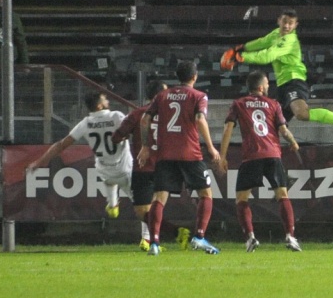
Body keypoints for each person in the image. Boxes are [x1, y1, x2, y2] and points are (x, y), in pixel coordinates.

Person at [220, 9, 333, 131]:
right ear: (279, 21)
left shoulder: (289, 41)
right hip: (282, 85)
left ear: (295, 25)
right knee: (272, 128)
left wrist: (240, 57)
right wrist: (241, 48)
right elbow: (262, 42)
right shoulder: (276, 34)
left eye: (290, 23)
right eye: (284, 21)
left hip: (294, 81)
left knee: (301, 114)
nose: (287, 26)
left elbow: (267, 56)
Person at [138, 60, 222, 256]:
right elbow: (200, 119)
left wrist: (145, 146)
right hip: (190, 153)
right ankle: (199, 237)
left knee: (159, 198)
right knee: (206, 194)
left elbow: (145, 119)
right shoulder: (199, 96)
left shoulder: (162, 95)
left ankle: (154, 243)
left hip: (165, 154)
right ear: (195, 76)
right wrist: (210, 147)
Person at [218, 70, 303, 252]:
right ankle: (290, 237)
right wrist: (293, 142)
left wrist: (222, 156)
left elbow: (228, 129)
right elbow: (283, 130)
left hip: (252, 156)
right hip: (273, 154)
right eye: (267, 84)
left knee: (242, 198)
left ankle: (250, 237)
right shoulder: (274, 104)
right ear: (261, 87)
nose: (268, 86)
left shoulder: (239, 104)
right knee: (282, 195)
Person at [27, 91, 133, 224]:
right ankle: (147, 235)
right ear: (99, 106)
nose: (108, 101)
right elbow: (132, 128)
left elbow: (61, 145)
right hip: (124, 169)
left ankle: (112, 205)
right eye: (104, 100)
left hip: (105, 171)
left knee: (109, 180)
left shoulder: (86, 123)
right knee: (144, 203)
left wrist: (39, 162)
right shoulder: (116, 116)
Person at [112, 79, 166, 252]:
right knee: (143, 210)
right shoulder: (140, 115)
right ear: (158, 96)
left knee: (151, 207)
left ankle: (154, 241)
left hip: (160, 167)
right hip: (148, 168)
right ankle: (162, 234)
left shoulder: (138, 114)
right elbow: (117, 136)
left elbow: (117, 137)